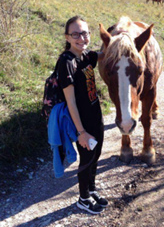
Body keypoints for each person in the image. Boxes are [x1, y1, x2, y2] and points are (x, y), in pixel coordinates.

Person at [56, 15, 107, 215]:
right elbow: (71, 102)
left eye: (84, 33)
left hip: (96, 117)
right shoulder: (66, 62)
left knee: (95, 156)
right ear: (67, 37)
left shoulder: (86, 56)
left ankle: (91, 189)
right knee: (86, 160)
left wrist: (120, 41)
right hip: (82, 123)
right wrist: (81, 132)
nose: (81, 38)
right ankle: (83, 198)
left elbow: (103, 54)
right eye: (75, 34)